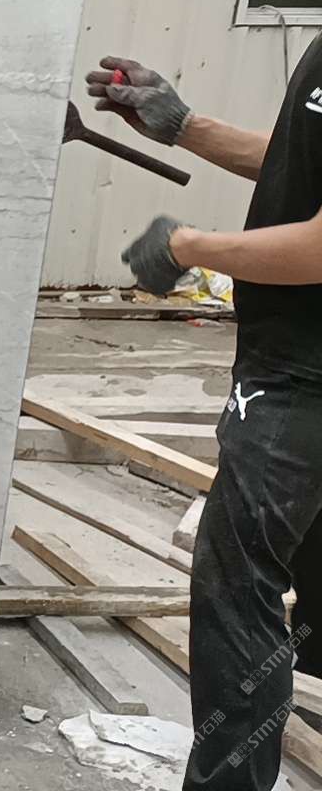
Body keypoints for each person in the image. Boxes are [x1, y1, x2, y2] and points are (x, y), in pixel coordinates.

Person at [105, 40, 322, 791]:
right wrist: (185, 126)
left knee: (238, 583)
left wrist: (187, 246)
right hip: (291, 360)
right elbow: (302, 161)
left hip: (307, 379)